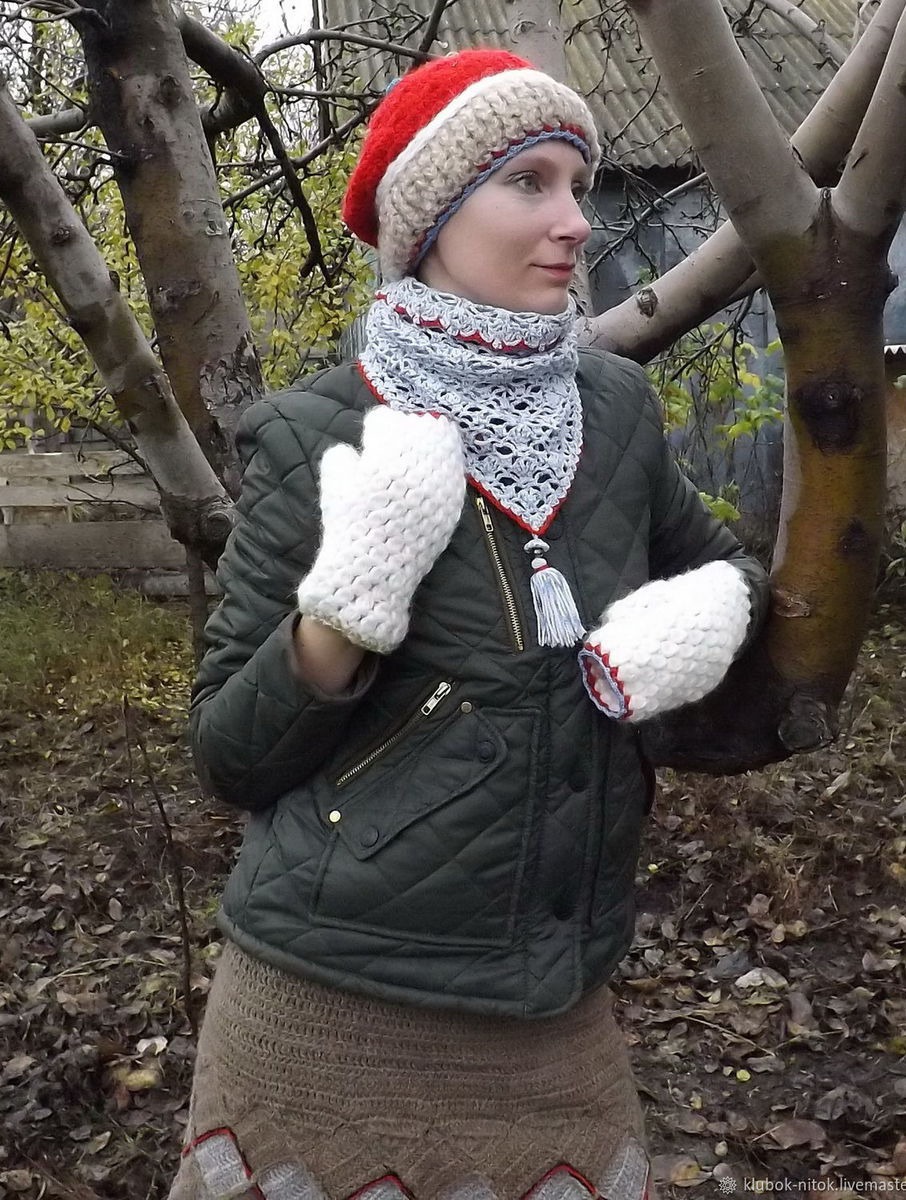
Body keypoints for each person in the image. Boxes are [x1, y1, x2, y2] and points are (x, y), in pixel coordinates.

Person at [169, 48, 770, 1200]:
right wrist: (344, 610)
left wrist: (701, 613)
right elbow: (228, 757)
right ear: (431, 218)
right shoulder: (315, 434)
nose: (575, 220)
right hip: (328, 1011)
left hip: (558, 1000)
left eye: (577, 185)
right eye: (529, 183)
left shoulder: (615, 409)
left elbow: (730, 566)